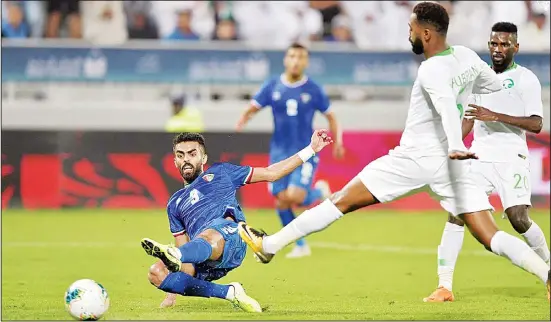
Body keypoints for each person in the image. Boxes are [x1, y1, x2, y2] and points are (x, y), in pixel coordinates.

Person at [237, 2, 551, 301]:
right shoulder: (468, 56)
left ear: (426, 33)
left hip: (414, 159)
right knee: (490, 235)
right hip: (449, 168)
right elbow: (493, 86)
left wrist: (457, 142)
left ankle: (271, 246)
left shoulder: (430, 70)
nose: (409, 34)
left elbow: (444, 106)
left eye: (411, 28)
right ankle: (546, 273)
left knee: (340, 201)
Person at [423, 21, 550, 303]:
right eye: (494, 43)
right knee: (457, 211)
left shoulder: (526, 79)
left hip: (511, 157)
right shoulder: (477, 78)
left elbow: (536, 123)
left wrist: (495, 115)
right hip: (479, 156)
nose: (498, 49)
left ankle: (549, 270)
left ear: (516, 47)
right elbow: (468, 119)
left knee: (518, 219)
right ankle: (444, 286)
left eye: (504, 44)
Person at [141, 130, 333, 311]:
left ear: (203, 158)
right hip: (206, 261)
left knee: (208, 235)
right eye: (181, 155)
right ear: (175, 161)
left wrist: (311, 150)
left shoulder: (221, 172)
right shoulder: (174, 203)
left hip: (232, 237)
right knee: (156, 272)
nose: (186, 160)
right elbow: (186, 265)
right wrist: (171, 289)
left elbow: (271, 173)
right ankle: (229, 293)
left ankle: (177, 254)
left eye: (192, 154)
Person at [236, 42, 344, 258]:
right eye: (292, 56)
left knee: (295, 196)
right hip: (279, 152)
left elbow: (331, 116)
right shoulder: (273, 85)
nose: (296, 61)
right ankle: (301, 245)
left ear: (306, 62)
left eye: (300, 57)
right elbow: (253, 107)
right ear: (286, 59)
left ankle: (318, 192)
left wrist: (338, 142)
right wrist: (241, 122)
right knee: (281, 199)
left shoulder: (313, 89)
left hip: (307, 151)